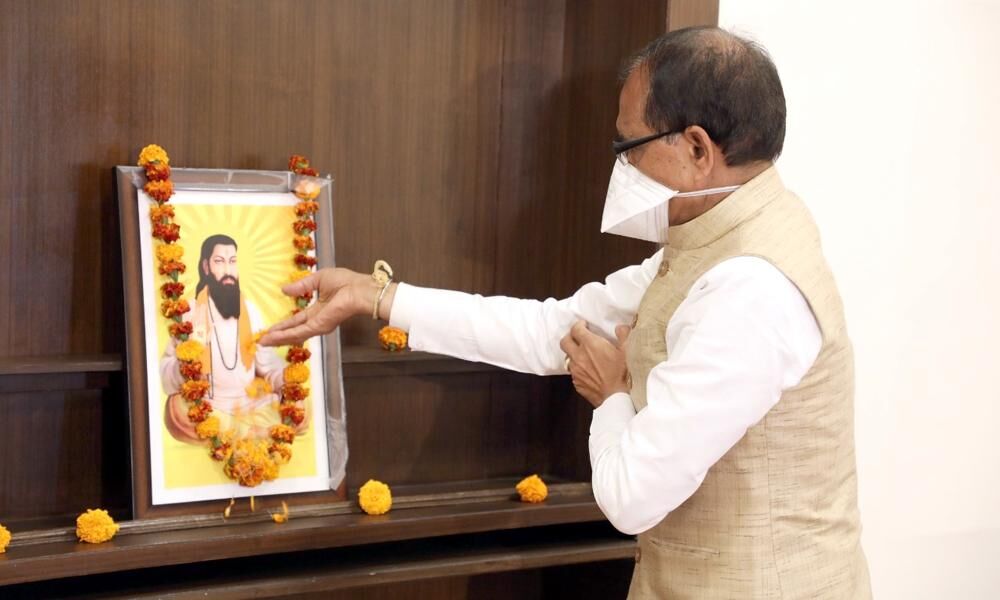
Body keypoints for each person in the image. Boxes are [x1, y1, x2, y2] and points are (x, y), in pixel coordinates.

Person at [261, 26, 870, 599]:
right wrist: (378, 296)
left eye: (628, 146)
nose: (622, 168)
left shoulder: (752, 287)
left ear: (696, 148)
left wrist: (612, 394)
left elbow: (631, 496)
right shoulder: (712, 238)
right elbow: (553, 328)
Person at [161, 234, 296, 443]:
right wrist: (184, 367)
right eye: (219, 262)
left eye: (232, 261)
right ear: (206, 267)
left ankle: (238, 433)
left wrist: (286, 383)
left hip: (249, 403)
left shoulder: (250, 310)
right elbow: (165, 371)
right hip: (208, 404)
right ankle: (245, 434)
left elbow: (268, 365)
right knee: (177, 411)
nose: (228, 271)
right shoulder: (189, 313)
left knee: (298, 406)